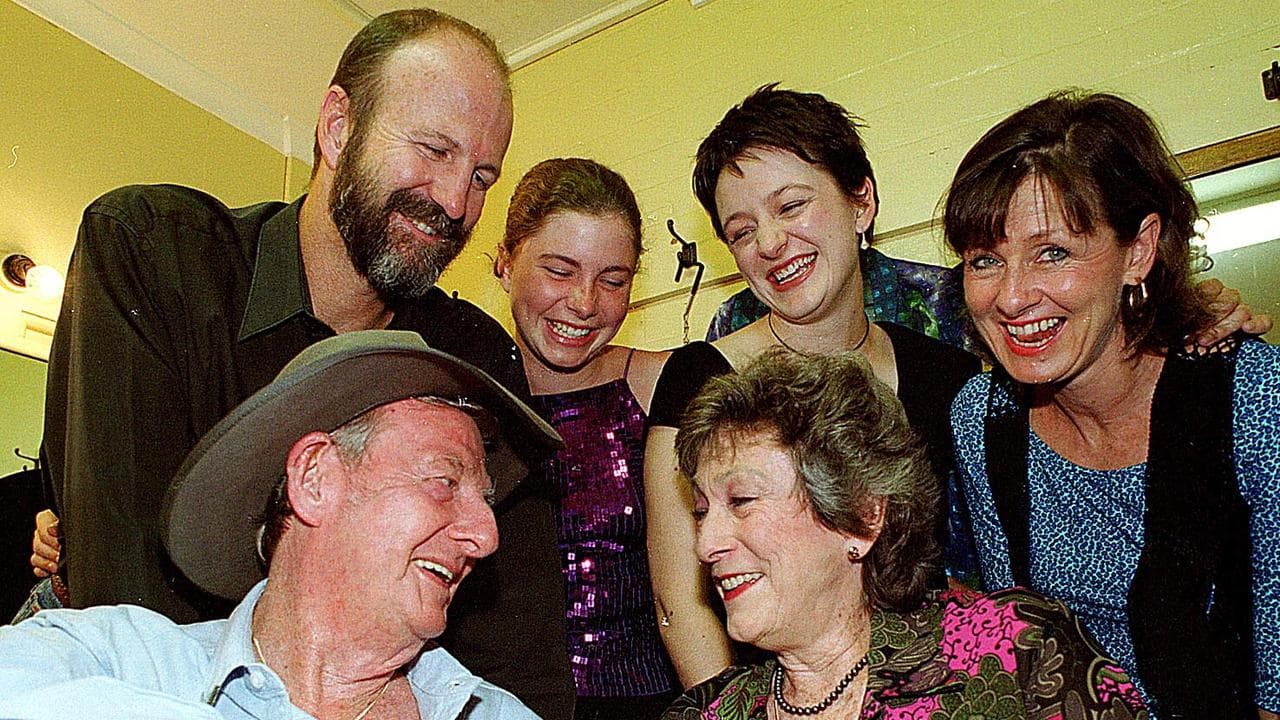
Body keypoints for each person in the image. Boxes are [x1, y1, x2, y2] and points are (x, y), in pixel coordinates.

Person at [28, 9, 573, 718]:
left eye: (482, 175)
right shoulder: (153, 254)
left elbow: (513, 639)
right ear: (338, 127)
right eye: (433, 150)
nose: (454, 202)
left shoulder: (469, 355)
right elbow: (126, 583)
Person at [0, 330, 559, 719]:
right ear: (314, 479)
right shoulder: (117, 659)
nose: (486, 536)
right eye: (443, 481)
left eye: (484, 501)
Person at [944, 91, 1279, 719]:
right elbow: (1020, 644)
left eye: (1053, 252)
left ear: (1139, 250)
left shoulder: (1250, 397)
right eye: (986, 259)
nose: (1012, 297)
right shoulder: (983, 420)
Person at [644, 85, 982, 687]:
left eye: (791, 206)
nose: (770, 244)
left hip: (930, 688)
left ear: (862, 203)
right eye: (742, 231)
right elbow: (683, 605)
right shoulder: (699, 379)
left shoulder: (947, 375)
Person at [661, 349, 1148, 719]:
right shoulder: (707, 712)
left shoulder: (1014, 648)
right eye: (702, 511)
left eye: (741, 501)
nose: (706, 545)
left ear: (863, 516)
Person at [493, 158, 679, 719]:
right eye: (559, 270)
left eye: (613, 280)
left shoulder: (659, 383)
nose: (584, 302)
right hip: (490, 702)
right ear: (504, 261)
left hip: (647, 703)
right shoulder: (453, 393)